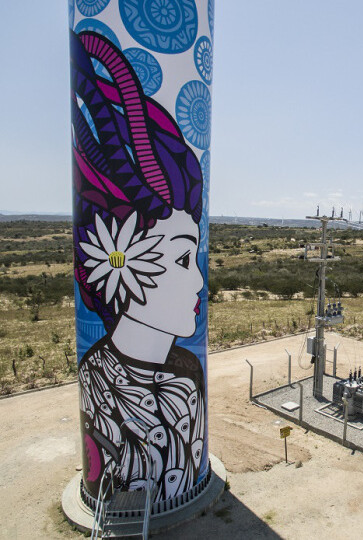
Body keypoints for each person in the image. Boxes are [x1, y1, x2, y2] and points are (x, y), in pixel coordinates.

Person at [71, 29, 206, 502]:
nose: (200, 279)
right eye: (184, 258)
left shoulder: (187, 376)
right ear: (124, 262)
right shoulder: (97, 383)